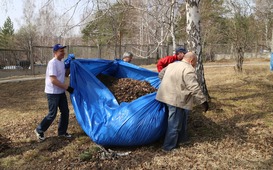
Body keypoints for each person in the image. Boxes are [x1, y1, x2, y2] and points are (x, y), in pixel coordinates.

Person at [156, 51, 209, 152]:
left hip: (164, 95)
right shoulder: (188, 69)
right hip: (175, 100)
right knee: (174, 124)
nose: (195, 64)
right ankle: (168, 147)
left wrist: (171, 83)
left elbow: (161, 74)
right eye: (195, 62)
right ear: (191, 60)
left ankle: (182, 139)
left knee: (179, 119)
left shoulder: (172, 64)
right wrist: (203, 102)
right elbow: (194, 87)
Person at [34, 44, 74, 141]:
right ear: (55, 52)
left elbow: (65, 74)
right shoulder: (52, 63)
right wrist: (67, 87)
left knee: (65, 112)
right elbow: (53, 80)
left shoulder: (61, 62)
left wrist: (70, 65)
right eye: (61, 51)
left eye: (63, 51)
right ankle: (39, 130)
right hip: (52, 92)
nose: (63, 53)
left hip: (60, 91)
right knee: (52, 113)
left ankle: (62, 132)